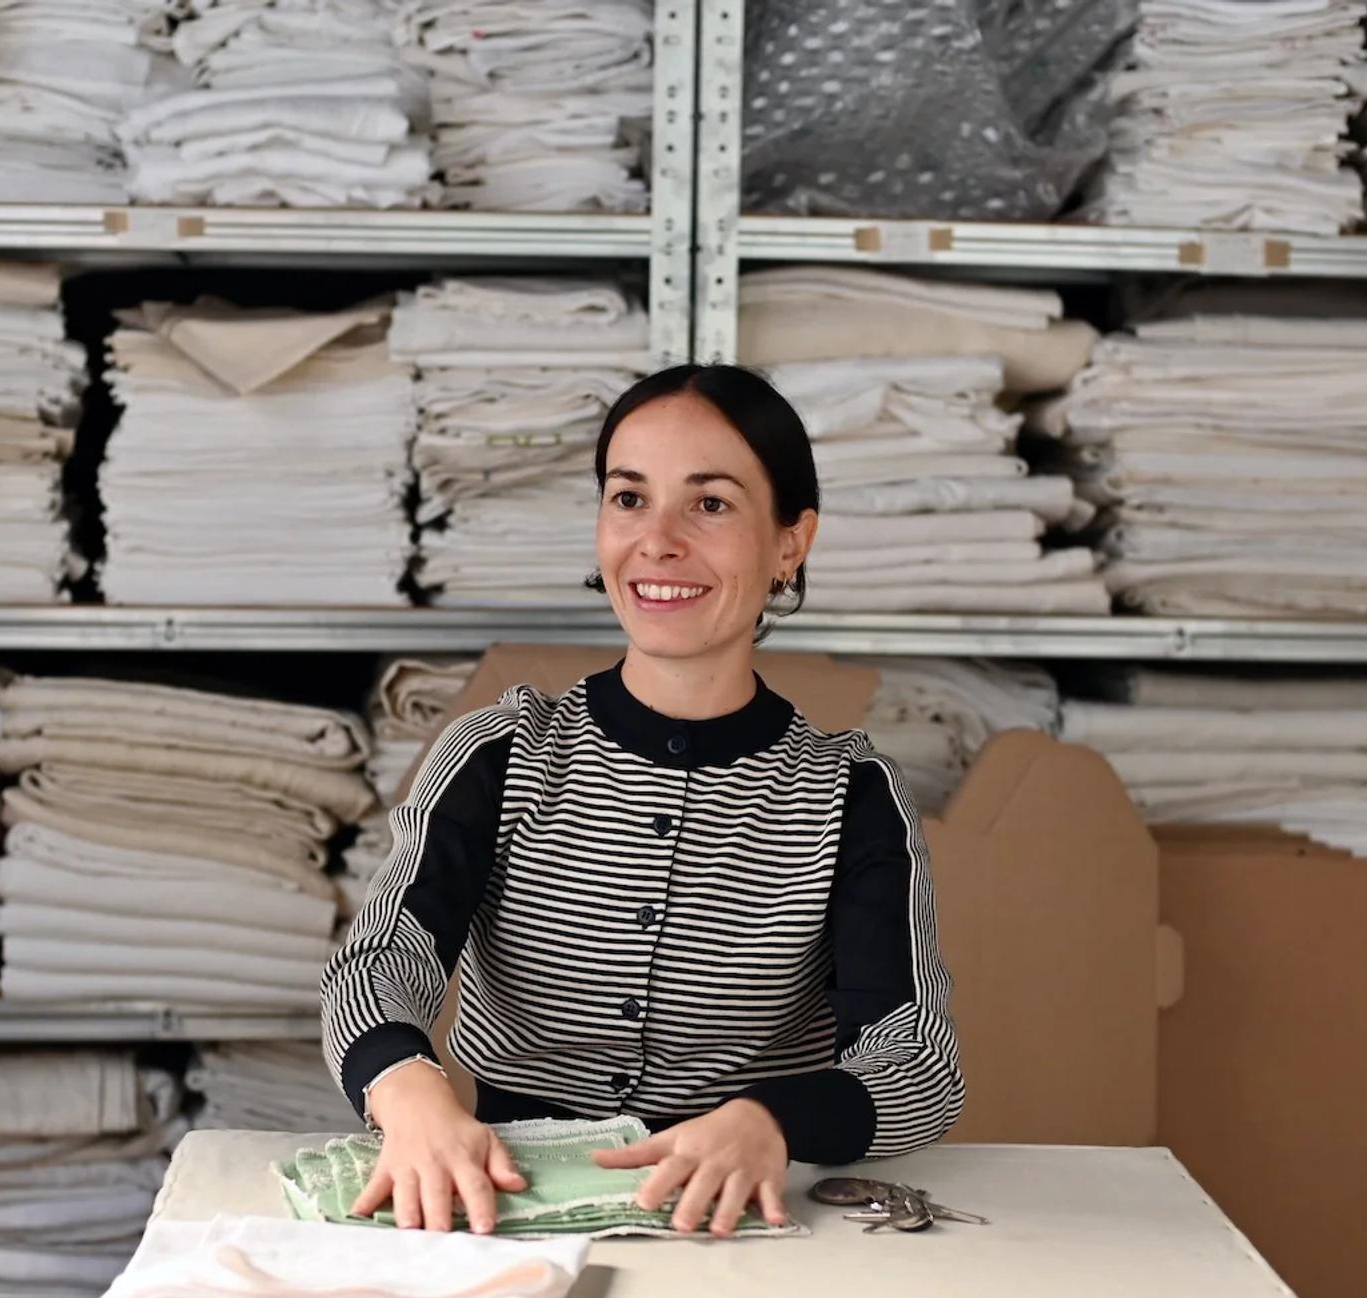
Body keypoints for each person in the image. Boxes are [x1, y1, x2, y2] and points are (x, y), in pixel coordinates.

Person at [319, 363, 963, 1238]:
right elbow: (375, 967)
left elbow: (917, 1064)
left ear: (790, 542)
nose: (656, 541)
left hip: (750, 1226)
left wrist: (775, 1120)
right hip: (501, 1211)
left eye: (710, 504)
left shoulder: (852, 794)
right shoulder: (499, 754)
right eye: (628, 499)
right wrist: (412, 1093)